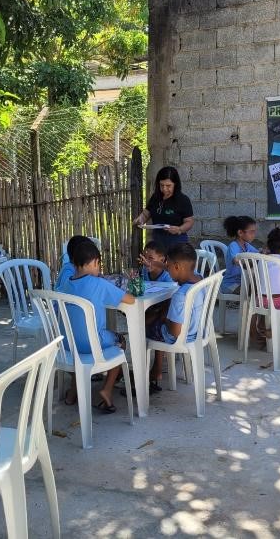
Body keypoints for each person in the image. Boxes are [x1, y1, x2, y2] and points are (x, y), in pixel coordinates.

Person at [58, 240, 135, 412]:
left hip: (67, 346)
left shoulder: (65, 284)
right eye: (99, 263)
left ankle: (73, 390)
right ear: (94, 262)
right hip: (91, 345)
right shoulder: (99, 284)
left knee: (80, 343)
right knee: (120, 341)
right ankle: (107, 389)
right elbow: (130, 300)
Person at [146, 243, 204, 390]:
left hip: (180, 337)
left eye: (168, 265)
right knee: (161, 310)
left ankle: (153, 371)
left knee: (144, 326)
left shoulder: (180, 295)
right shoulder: (200, 279)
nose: (167, 269)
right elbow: (175, 268)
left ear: (176, 267)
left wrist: (163, 317)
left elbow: (175, 331)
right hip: (197, 332)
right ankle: (156, 368)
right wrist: (157, 264)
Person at [133, 166, 194, 249]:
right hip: (157, 241)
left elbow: (189, 222)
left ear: (175, 184)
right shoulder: (155, 197)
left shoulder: (183, 200)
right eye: (162, 185)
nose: (164, 189)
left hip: (177, 242)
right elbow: (146, 214)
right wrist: (140, 220)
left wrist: (179, 229)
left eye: (168, 186)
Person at [220, 215, 260, 294]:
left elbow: (258, 253)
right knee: (254, 291)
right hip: (231, 284)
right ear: (240, 233)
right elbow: (236, 261)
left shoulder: (246, 245)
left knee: (258, 287)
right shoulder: (233, 245)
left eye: (254, 232)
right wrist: (252, 261)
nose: (254, 235)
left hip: (243, 281)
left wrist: (264, 252)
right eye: (251, 232)